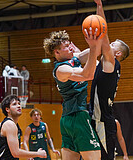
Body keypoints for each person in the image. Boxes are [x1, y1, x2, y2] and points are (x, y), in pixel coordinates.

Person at [43, 29, 103, 160]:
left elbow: (97, 51)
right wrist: (92, 47)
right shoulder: (61, 69)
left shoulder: (73, 58)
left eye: (69, 44)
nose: (70, 47)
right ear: (57, 52)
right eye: (66, 47)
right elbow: (88, 74)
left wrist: (95, 40)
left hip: (67, 118)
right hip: (78, 115)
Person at [88, 1, 130, 160]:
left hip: (103, 123)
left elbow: (103, 34)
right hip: (97, 119)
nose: (108, 44)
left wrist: (99, 5)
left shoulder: (111, 62)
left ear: (117, 53)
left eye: (112, 45)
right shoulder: (104, 65)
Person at [0, 94, 47, 160]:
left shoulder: (9, 123)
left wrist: (10, 142)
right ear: (7, 109)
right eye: (14, 104)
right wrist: (38, 154)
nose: (18, 106)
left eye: (19, 103)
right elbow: (16, 153)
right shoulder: (9, 124)